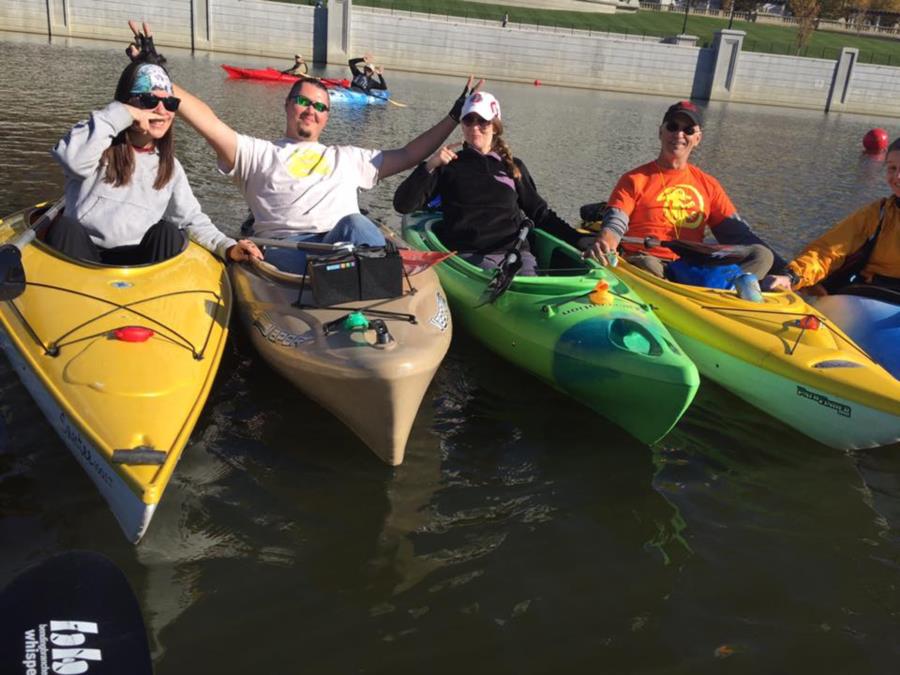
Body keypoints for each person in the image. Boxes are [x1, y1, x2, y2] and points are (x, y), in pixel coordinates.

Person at [125, 22, 481, 274]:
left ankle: (378, 270)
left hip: (344, 246)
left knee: (357, 222)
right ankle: (378, 270)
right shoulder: (256, 153)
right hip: (288, 256)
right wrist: (158, 74)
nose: (312, 111)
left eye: (321, 107)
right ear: (288, 105)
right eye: (303, 102)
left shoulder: (347, 157)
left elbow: (410, 154)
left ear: (326, 118)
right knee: (353, 239)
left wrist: (454, 115)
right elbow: (208, 121)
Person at [48, 57, 261, 265]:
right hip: (83, 253)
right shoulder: (96, 141)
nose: (161, 110)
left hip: (139, 265)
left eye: (170, 103)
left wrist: (227, 246)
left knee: (168, 233)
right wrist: (122, 113)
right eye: (149, 101)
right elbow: (73, 160)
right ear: (127, 103)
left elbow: (190, 219)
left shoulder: (170, 167)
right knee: (65, 228)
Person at [587, 100, 783, 281]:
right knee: (647, 264)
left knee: (762, 255)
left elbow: (739, 235)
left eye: (688, 130)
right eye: (672, 127)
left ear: (697, 139)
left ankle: (729, 287)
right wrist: (607, 241)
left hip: (692, 264)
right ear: (660, 132)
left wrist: (789, 273)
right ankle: (727, 287)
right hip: (649, 261)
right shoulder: (634, 179)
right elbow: (615, 222)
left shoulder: (709, 185)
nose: (679, 135)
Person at [393, 91, 584, 275]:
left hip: (516, 253)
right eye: (469, 120)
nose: (475, 127)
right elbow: (403, 205)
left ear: (495, 127)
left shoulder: (513, 167)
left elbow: (541, 214)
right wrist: (430, 165)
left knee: (529, 278)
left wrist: (579, 239)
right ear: (462, 125)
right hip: (471, 258)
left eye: (482, 121)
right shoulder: (448, 166)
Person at [765, 137, 900, 294]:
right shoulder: (877, 213)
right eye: (892, 168)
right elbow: (827, 251)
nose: (897, 177)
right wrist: (791, 276)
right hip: (872, 294)